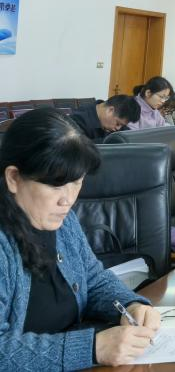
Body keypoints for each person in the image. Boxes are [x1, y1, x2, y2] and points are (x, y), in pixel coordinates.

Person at [0, 108, 162, 368]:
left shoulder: (63, 222)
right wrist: (91, 348)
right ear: (14, 178)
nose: (67, 200)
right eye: (55, 185)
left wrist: (130, 305)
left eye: (77, 182)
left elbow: (92, 279)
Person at [68, 96, 141, 142]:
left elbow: (129, 136)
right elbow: (79, 148)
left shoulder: (116, 119)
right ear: (110, 110)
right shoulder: (77, 120)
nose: (118, 128)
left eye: (121, 125)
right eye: (117, 124)